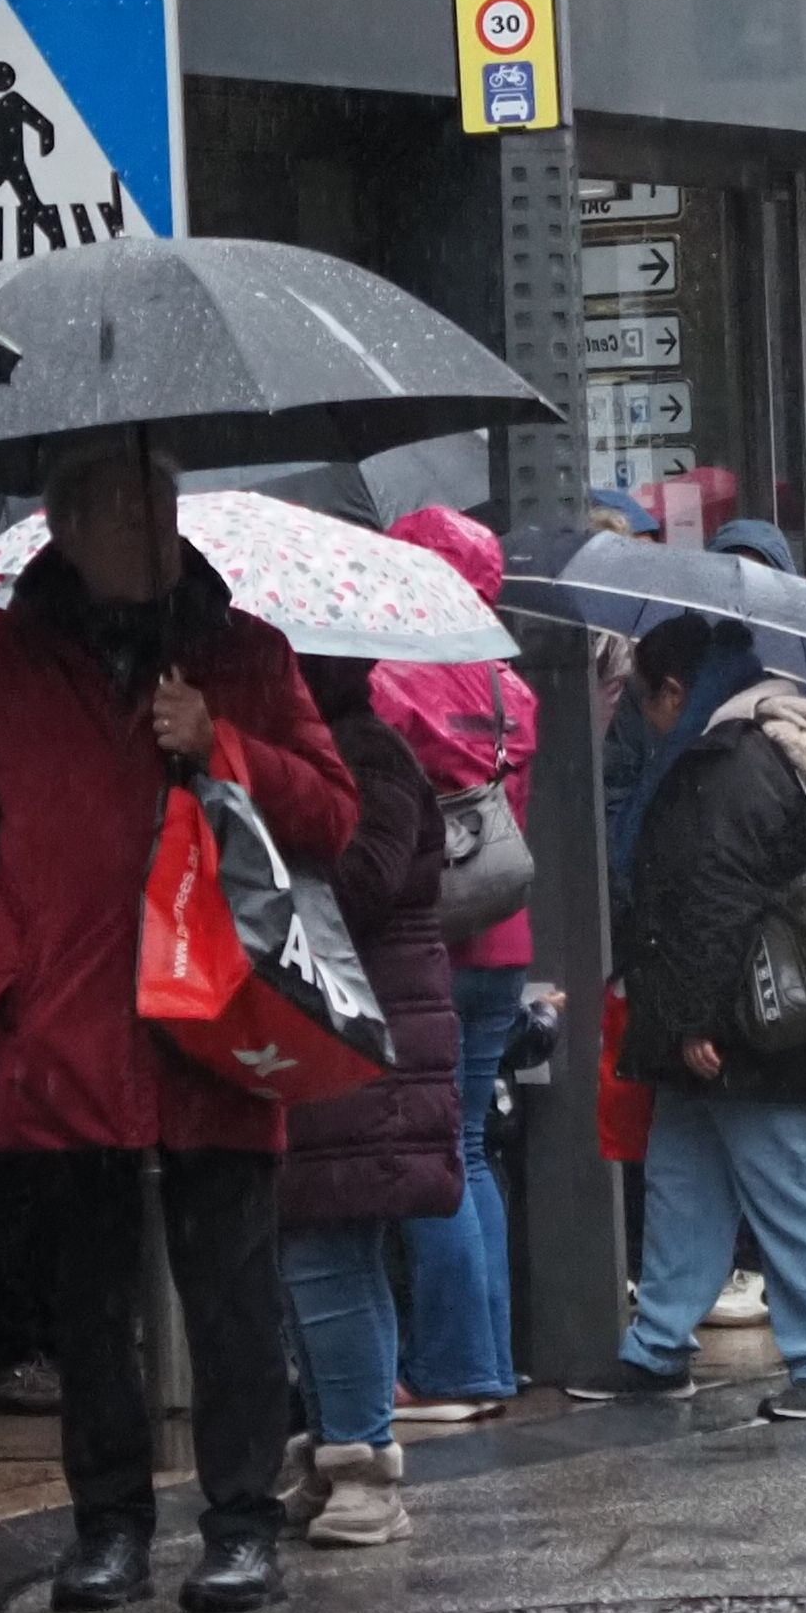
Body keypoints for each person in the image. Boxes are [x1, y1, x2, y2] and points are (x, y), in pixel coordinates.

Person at [0, 439, 353, 1613]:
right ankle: (108, 1525)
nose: (149, 532)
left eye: (158, 505)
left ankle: (242, 1519)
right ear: (67, 529)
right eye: (119, 513)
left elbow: (333, 816)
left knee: (232, 1293)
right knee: (90, 1309)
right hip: (69, 1034)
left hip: (224, 1020)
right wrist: (12, 982)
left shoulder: (245, 654)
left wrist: (225, 747)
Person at [581, 650, 806, 1419]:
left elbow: (713, 897)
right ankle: (659, 1344)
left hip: (751, 1024)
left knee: (781, 1179)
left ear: (677, 691)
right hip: (777, 1014)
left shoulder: (728, 763)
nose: (639, 720)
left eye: (642, 702)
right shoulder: (780, 747)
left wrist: (698, 1020)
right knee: (688, 1182)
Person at [273, 660, 457, 1545]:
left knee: (328, 1248)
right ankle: (338, 1448)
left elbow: (364, 879)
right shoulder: (347, 746)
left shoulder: (369, 753)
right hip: (352, 1025)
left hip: (367, 1030)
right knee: (319, 1244)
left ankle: (362, 1461)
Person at [376, 507, 538, 1405]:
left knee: (434, 1154)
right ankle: (490, 1355)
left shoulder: (394, 683)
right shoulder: (510, 688)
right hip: (502, 937)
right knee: (470, 1149)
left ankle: (451, 1367)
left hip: (426, 940)